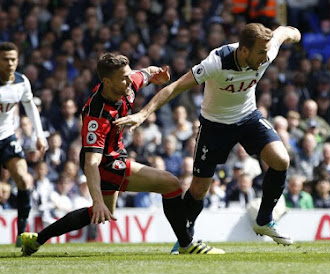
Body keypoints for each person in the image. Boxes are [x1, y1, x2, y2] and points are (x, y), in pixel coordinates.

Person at [115, 23, 301, 252]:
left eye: (266, 51)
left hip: (248, 117)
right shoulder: (216, 62)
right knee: (199, 189)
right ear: (243, 51)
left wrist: (294, 34)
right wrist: (143, 114)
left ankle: (263, 220)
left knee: (281, 160)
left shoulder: (267, 50)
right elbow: (174, 88)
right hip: (214, 125)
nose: (265, 57)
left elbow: (283, 32)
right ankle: (184, 240)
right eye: (260, 53)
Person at [21, 53, 224, 256]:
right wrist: (97, 199)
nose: (130, 80)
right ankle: (187, 244)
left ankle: (37, 239)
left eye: (129, 75)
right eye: (124, 77)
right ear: (107, 82)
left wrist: (157, 75)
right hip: (105, 163)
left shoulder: (127, 83)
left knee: (102, 213)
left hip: (114, 154)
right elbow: (91, 163)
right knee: (170, 184)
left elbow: (147, 73)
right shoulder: (97, 115)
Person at [0, 42, 47, 247]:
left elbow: (30, 108)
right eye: (5, 59)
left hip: (7, 136)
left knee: (23, 179)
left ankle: (21, 233)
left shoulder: (21, 82)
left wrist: (40, 135)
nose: (10, 63)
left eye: (13, 59)